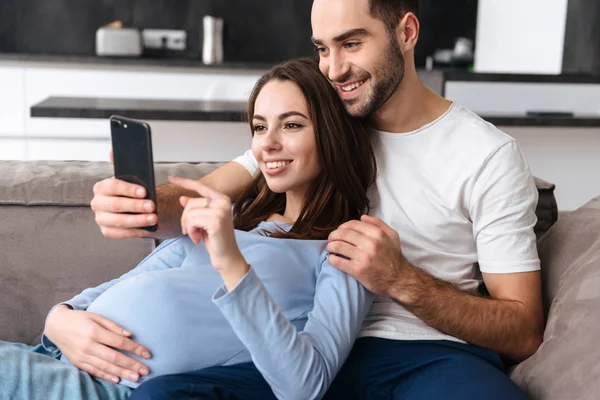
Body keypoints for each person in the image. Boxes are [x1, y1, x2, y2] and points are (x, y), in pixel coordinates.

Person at [93, 0, 545, 399]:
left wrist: (400, 279)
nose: (333, 68)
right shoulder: (312, 126)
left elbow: (523, 331)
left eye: (351, 43)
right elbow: (200, 199)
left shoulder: (486, 155)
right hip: (309, 350)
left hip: (430, 356)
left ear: (406, 33)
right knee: (165, 395)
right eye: (323, 48)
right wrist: (139, 204)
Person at [0, 57, 377, 400]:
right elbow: (139, 280)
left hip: (112, 388)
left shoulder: (341, 251)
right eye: (260, 127)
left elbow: (304, 385)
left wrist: (230, 259)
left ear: (332, 134)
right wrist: (61, 316)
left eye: (291, 124)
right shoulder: (236, 213)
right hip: (58, 353)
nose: (268, 144)